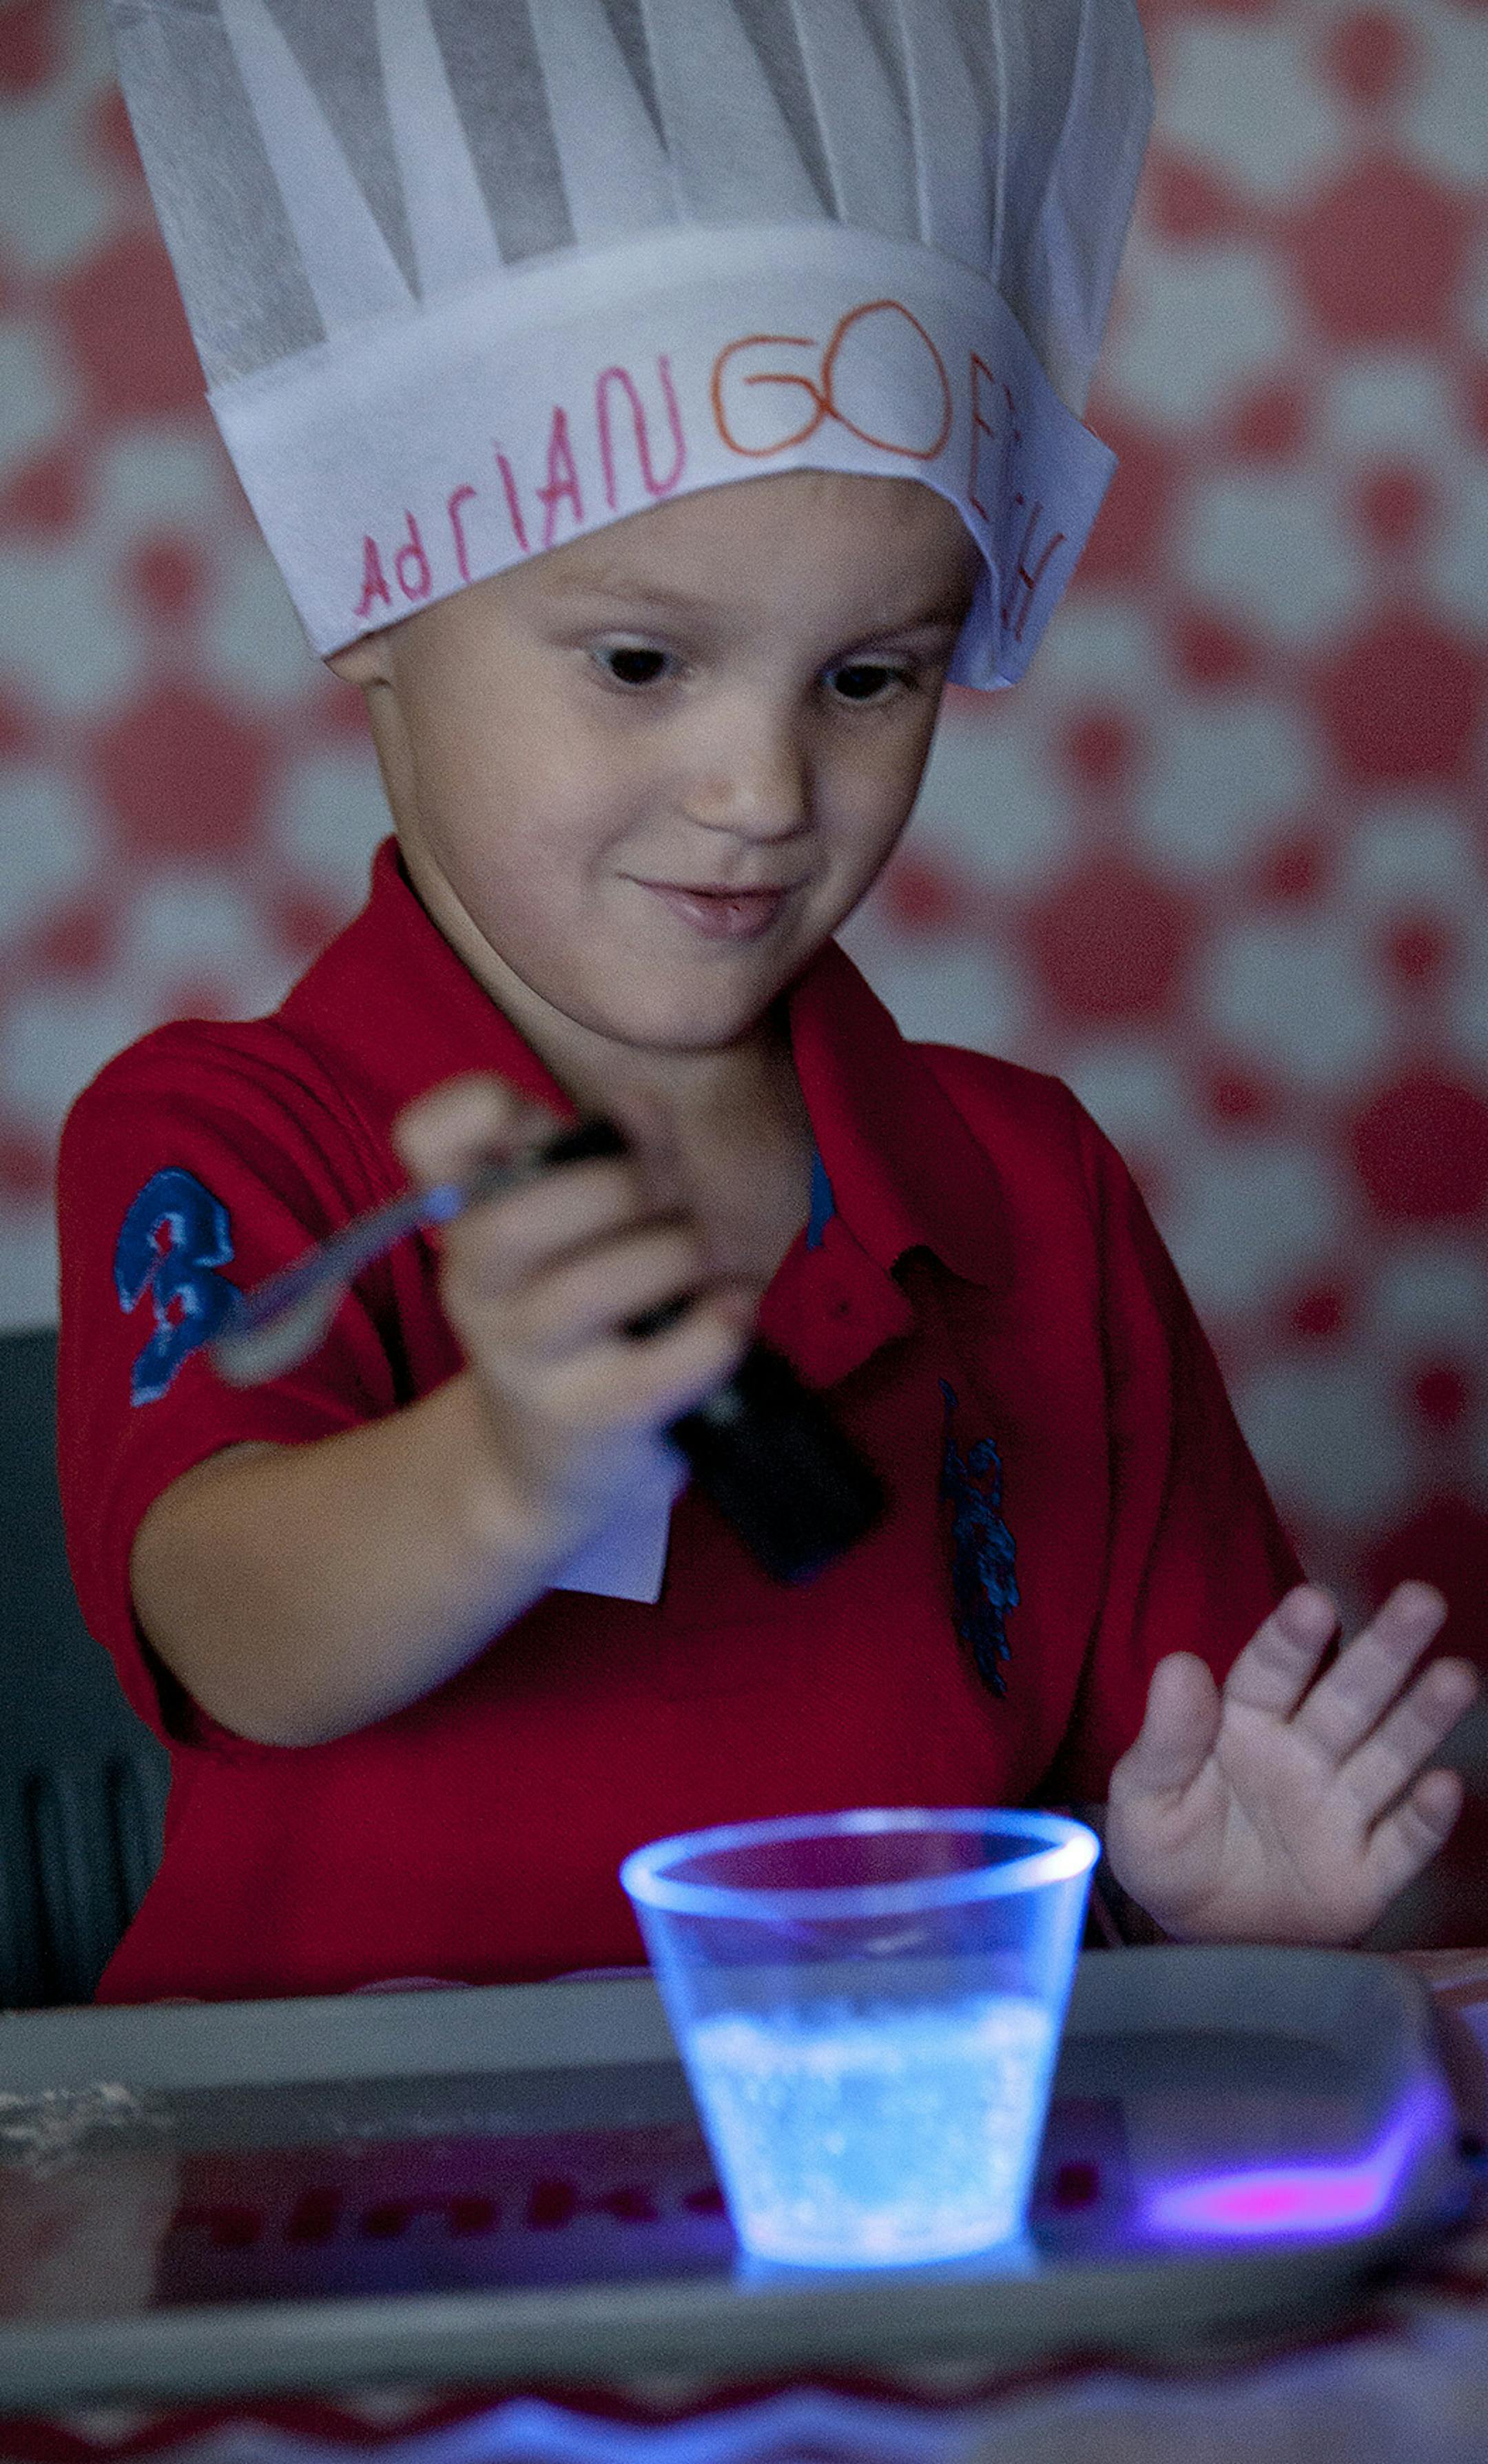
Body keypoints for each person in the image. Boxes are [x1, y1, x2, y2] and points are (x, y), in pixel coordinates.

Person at [58, 0, 1476, 2004]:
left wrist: (1221, 1915)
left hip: (887, 2217)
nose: (762, 791)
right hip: (345, 2247)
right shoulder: (229, 1134)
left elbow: (1143, 1794)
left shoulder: (1028, 1190)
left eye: (868, 677)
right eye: (642, 663)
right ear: (370, 592)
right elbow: (230, 1623)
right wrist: (511, 1466)